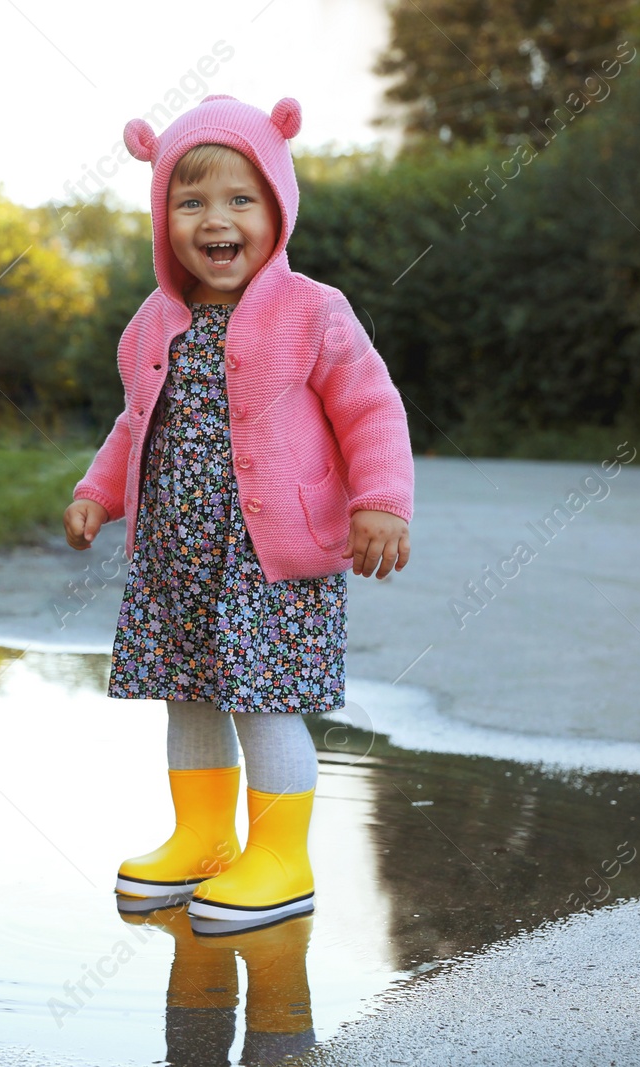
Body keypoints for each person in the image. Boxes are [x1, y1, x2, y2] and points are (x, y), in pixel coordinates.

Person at [63, 94, 415, 928]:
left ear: (278, 207)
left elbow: (372, 407)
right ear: (164, 219)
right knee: (187, 695)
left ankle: (281, 856)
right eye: (191, 202)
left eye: (239, 199)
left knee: (264, 700)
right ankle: (203, 837)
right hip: (177, 557)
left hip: (268, 556)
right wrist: (95, 491)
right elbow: (134, 423)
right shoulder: (152, 322)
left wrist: (382, 502)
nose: (215, 220)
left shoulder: (313, 311)